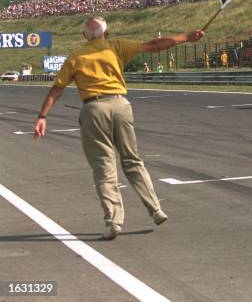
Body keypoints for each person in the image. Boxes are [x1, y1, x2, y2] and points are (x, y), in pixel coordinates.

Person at [33, 16, 204, 240]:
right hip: (120, 104)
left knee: (104, 166)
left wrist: (43, 116)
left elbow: (57, 89)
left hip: (93, 108)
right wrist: (186, 37)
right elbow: (153, 45)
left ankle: (114, 221)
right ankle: (155, 208)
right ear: (107, 32)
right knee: (132, 160)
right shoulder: (116, 46)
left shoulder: (76, 57)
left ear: (85, 36)